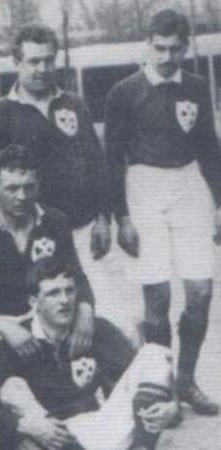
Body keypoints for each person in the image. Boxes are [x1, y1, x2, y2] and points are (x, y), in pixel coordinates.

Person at [104, 9, 221, 417]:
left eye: (175, 49)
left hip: (188, 185)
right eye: (160, 48)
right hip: (144, 187)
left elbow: (209, 147)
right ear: (147, 45)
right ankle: (163, 385)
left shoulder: (196, 86)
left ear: (185, 47)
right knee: (157, 296)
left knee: (202, 291)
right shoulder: (124, 91)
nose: (167, 57)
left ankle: (187, 379)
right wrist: (121, 216)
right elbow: (112, 156)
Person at [0, 25, 122, 338]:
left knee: (106, 316)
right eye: (33, 61)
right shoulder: (1, 115)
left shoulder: (74, 104)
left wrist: (103, 217)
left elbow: (96, 162)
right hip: (36, 231)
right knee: (47, 319)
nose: (42, 69)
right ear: (16, 62)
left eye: (48, 60)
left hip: (83, 228)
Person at [0, 257, 178, 450]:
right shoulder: (19, 340)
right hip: (49, 433)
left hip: (96, 428)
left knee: (154, 353)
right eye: (53, 293)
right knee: (11, 387)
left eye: (69, 291)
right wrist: (24, 425)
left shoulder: (94, 329)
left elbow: (135, 375)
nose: (64, 300)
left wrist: (172, 406)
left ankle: (143, 446)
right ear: (33, 302)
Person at [0, 144, 95, 391]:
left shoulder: (55, 221)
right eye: (12, 188)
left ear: (38, 185)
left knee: (121, 333)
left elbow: (76, 275)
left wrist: (85, 310)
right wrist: (3, 326)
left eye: (28, 187)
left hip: (46, 319)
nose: (22, 196)